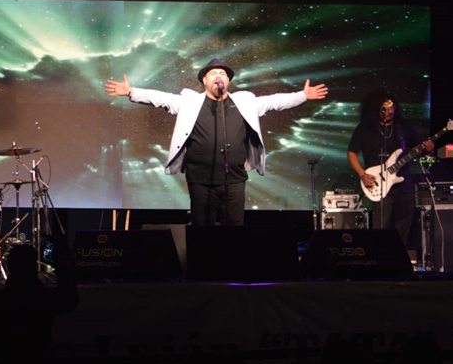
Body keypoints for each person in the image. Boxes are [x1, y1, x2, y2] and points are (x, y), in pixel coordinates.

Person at [104, 57, 328, 225]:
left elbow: (274, 102)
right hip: (200, 179)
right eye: (213, 73)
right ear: (204, 80)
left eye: (222, 73)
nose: (218, 76)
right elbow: (160, 98)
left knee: (234, 229)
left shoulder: (244, 102)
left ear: (228, 80)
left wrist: (302, 96)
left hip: (234, 179)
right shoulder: (190, 102)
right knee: (202, 229)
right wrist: (131, 92)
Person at [347, 89, 433, 246]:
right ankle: (379, 256)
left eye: (392, 107)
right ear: (376, 109)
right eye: (385, 108)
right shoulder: (364, 128)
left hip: (403, 185)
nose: (390, 111)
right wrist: (362, 174)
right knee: (381, 226)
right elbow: (352, 153)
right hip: (379, 184)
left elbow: (418, 150)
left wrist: (427, 149)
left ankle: (400, 255)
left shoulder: (403, 126)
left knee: (404, 225)